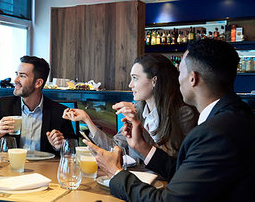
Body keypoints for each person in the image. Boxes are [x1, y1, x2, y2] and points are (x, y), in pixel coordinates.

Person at [85, 39, 255, 201]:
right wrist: (141, 145)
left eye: (180, 71)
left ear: (192, 78)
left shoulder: (215, 133)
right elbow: (182, 172)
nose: (176, 78)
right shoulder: (235, 115)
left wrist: (115, 173)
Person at [64, 54, 198, 160]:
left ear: (154, 81)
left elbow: (170, 161)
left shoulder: (183, 113)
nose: (130, 85)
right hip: (138, 183)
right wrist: (87, 120)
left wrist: (138, 128)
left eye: (135, 78)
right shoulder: (138, 109)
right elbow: (115, 148)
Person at [0, 56, 76, 154]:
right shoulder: (4, 105)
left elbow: (73, 150)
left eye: (22, 76)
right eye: (17, 74)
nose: (16, 80)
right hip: (13, 167)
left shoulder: (59, 112)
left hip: (45, 167)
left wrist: (59, 146)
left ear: (38, 83)